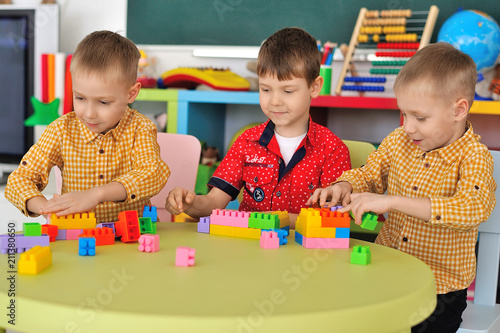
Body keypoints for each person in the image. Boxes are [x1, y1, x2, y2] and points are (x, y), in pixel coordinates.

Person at [308, 42, 496, 333]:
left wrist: (391, 201)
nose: (408, 126)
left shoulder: (474, 156)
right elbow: (369, 175)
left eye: (420, 117)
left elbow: (472, 208)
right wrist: (344, 185)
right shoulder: (399, 140)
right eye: (403, 114)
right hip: (386, 271)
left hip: (438, 289)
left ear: (459, 110)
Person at [166, 27, 351, 225]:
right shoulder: (247, 142)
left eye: (288, 91)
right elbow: (212, 204)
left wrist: (281, 221)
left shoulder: (333, 149)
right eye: (266, 89)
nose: (275, 101)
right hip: (252, 249)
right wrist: (189, 203)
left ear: (314, 87)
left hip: (306, 252)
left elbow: (336, 221)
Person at [5, 30, 170, 223]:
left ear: (131, 94)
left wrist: (96, 194)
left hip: (134, 238)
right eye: (80, 98)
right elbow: (19, 180)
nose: (89, 113)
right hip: (79, 237)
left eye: (104, 102)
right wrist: (46, 207)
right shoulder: (61, 130)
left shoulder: (140, 128)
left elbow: (152, 173)